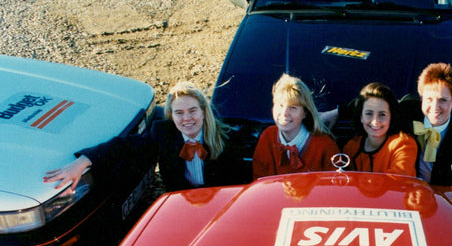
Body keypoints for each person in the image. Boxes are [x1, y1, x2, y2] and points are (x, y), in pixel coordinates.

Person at [43, 81, 249, 193]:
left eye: (193, 110)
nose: (187, 119)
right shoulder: (163, 134)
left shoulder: (226, 138)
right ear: (171, 115)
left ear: (204, 111)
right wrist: (83, 161)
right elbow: (122, 146)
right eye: (179, 113)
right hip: (180, 204)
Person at [252, 74, 340, 180]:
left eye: (293, 108)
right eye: (280, 105)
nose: (284, 113)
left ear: (305, 113)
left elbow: (334, 188)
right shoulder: (267, 137)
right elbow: (259, 183)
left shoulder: (325, 145)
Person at [341, 82, 417, 176]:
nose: (375, 121)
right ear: (361, 116)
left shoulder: (403, 144)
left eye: (382, 114)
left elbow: (399, 179)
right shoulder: (352, 147)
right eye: (369, 113)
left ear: (391, 117)